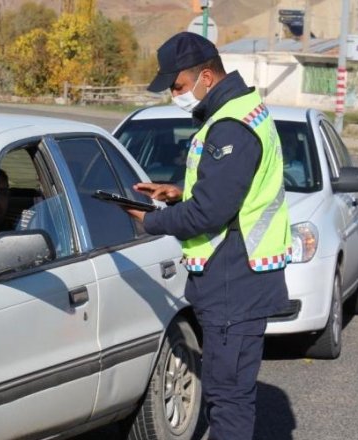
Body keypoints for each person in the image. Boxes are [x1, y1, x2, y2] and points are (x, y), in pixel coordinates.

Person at [124, 32, 291, 440]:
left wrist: (152, 222)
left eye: (178, 87)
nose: (175, 96)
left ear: (207, 77)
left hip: (235, 279)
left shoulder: (231, 126)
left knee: (228, 399)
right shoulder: (240, 112)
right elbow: (229, 189)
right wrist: (179, 191)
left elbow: (211, 211)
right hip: (238, 277)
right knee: (227, 393)